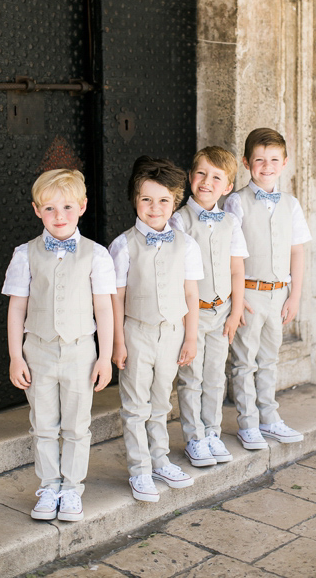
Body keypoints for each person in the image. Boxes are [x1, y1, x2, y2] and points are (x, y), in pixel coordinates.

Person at [3, 169, 115, 521]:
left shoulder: (96, 255)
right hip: (38, 351)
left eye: (67, 206)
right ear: (37, 210)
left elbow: (104, 308)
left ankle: (72, 489)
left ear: (82, 207)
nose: (59, 216)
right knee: (43, 423)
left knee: (77, 425)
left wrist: (105, 357)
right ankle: (49, 484)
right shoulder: (25, 254)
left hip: (82, 350)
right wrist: (15, 356)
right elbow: (17, 307)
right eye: (50, 209)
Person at [109, 156, 202, 502]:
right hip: (136, 331)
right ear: (135, 200)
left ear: (175, 201)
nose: (155, 207)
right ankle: (139, 469)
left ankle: (160, 458)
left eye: (164, 200)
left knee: (162, 399)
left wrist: (190, 336)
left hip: (173, 333)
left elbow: (191, 293)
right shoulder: (122, 246)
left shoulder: (186, 244)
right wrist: (118, 343)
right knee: (135, 403)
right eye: (146, 199)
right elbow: (116, 300)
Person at [223, 128, 312, 449]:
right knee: (244, 361)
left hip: (279, 294)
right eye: (259, 160)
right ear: (247, 162)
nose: (267, 166)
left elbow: (297, 251)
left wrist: (295, 295)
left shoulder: (291, 204)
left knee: (270, 358)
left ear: (284, 162)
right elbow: (228, 253)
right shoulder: (237, 202)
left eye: (274, 159)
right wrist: (237, 297)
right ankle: (247, 423)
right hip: (248, 293)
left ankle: (270, 417)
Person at [168, 147, 248, 468]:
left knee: (216, 375)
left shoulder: (231, 221)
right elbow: (177, 275)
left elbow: (237, 270)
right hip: (193, 314)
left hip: (222, 311)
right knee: (191, 378)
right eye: (200, 173)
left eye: (217, 177)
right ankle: (194, 437)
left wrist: (236, 311)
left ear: (227, 187)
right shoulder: (179, 220)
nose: (206, 182)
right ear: (190, 178)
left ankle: (213, 432)